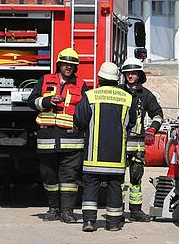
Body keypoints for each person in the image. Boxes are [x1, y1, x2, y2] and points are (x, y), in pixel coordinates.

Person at [73, 62, 136, 233]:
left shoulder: (91, 95)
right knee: (115, 187)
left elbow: (79, 119)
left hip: (93, 156)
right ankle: (114, 223)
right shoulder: (127, 98)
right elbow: (131, 123)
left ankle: (89, 222)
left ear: (100, 78)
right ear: (117, 79)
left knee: (90, 187)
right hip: (117, 157)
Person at [26, 48, 87, 223]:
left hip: (71, 139)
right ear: (59, 64)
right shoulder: (44, 80)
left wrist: (80, 126)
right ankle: (53, 209)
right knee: (49, 176)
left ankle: (67, 212)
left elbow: (85, 110)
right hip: (47, 138)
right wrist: (46, 101)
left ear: (75, 67)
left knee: (69, 178)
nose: (68, 67)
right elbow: (32, 101)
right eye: (65, 64)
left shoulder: (81, 84)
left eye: (72, 65)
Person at [120, 58, 164, 222]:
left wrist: (152, 129)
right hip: (120, 142)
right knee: (117, 179)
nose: (130, 75)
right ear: (124, 74)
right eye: (128, 73)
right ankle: (117, 210)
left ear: (139, 75)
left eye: (134, 73)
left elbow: (158, 114)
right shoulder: (118, 91)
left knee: (136, 178)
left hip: (137, 143)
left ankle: (136, 210)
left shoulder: (146, 95)